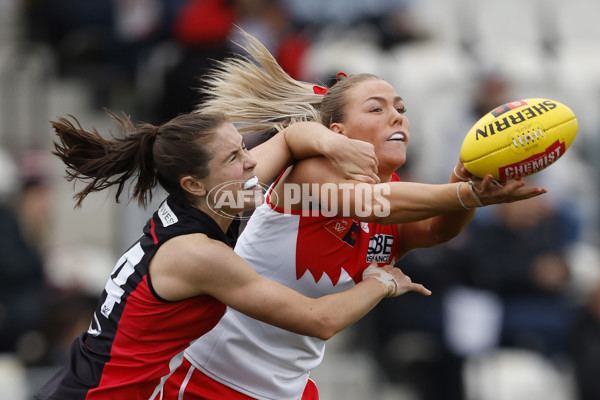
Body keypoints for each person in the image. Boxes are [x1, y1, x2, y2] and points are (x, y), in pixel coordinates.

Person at [162, 29, 548, 399]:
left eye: (401, 108)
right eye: (376, 109)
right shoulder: (311, 171)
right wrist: (465, 194)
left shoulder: (400, 194)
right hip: (210, 377)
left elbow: (435, 229)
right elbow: (376, 204)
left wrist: (463, 177)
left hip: (287, 386)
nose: (397, 117)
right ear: (338, 132)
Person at [34, 110, 432, 399]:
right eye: (233, 159)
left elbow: (294, 138)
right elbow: (319, 319)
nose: (252, 162)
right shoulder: (197, 254)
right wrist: (381, 283)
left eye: (243, 147)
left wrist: (334, 143)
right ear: (193, 183)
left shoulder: (213, 201)